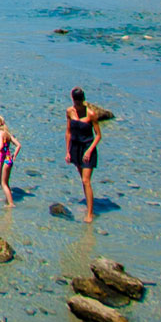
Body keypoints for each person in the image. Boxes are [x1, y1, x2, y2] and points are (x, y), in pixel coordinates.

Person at [65, 87, 102, 222]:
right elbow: (68, 132)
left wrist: (89, 150)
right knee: (82, 179)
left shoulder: (91, 114)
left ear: (83, 100)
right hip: (75, 147)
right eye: (76, 102)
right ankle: (88, 205)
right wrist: (68, 151)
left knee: (86, 180)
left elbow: (98, 135)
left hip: (88, 147)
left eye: (80, 102)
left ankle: (90, 214)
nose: (78, 104)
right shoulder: (70, 111)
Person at [0, 113, 22, 206]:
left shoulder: (0, 133)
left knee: (3, 183)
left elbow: (1, 145)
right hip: (9, 160)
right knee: (5, 182)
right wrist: (14, 155)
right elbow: (19, 145)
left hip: (4, 160)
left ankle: (11, 204)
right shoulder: (7, 133)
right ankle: (8, 199)